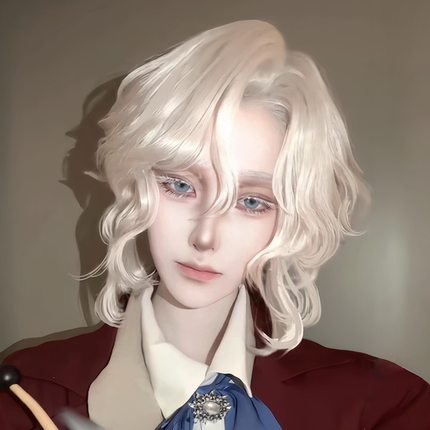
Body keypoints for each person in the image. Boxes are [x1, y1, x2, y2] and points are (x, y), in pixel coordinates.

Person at [0, 20, 429, 430]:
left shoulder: (387, 407)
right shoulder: (21, 398)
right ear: (136, 185)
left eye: (251, 201)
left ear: (290, 216)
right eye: (180, 186)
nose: (205, 237)